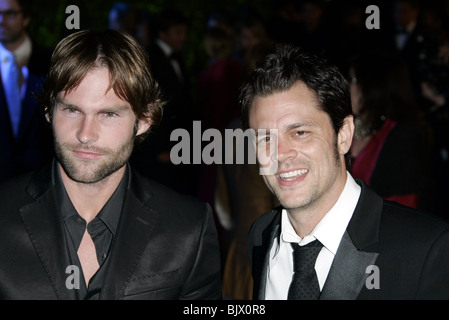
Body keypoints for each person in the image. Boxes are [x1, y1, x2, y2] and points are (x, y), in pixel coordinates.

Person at [0, 29, 222, 300]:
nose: (85, 134)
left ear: (144, 120)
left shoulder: (189, 227)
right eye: (72, 110)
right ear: (49, 111)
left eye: (108, 114)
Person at [241, 45, 449, 300]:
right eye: (265, 139)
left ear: (344, 135)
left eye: (300, 132)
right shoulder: (261, 236)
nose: (281, 154)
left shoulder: (426, 250)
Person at [348, 52, 433, 210]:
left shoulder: (403, 135)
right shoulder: (348, 127)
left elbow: (403, 203)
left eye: (353, 80)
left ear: (373, 85)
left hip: (383, 227)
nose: (348, 86)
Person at [130, 8, 196, 196]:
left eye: (184, 32)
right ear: (162, 33)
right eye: (178, 32)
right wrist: (160, 147)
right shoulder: (151, 59)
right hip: (162, 150)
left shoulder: (177, 58)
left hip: (178, 144)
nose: (183, 37)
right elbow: (148, 105)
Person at [0, 0, 53, 181]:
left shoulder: (50, 62)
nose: (1, 20)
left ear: (26, 18)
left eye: (10, 14)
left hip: (40, 177)